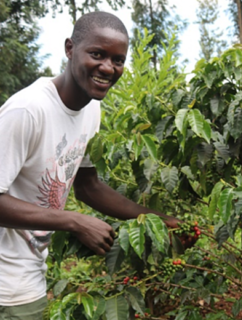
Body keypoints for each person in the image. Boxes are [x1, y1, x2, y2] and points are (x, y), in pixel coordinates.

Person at [0, 11, 191, 320]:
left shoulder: (91, 110)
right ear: (69, 48)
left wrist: (160, 220)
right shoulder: (28, 110)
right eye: (97, 54)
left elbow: (88, 186)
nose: (107, 68)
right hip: (7, 287)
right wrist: (74, 222)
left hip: (28, 272)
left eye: (118, 60)